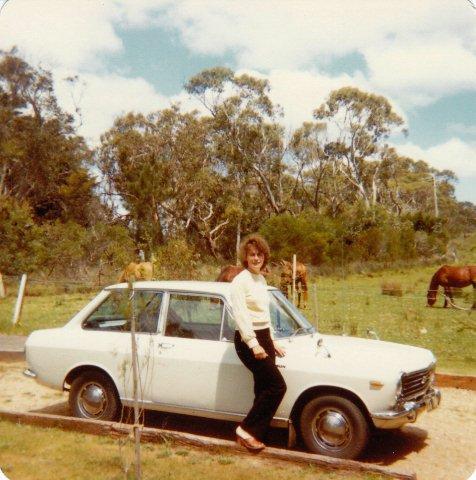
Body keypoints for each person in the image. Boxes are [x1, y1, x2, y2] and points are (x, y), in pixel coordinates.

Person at [230, 234, 287, 451]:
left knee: (263, 388)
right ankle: (245, 430)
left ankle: (256, 434)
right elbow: (241, 316)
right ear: (245, 257)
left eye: (260, 254)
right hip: (247, 339)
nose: (256, 258)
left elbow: (265, 315)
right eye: (252, 255)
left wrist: (271, 341)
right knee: (277, 386)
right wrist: (254, 344)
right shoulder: (240, 281)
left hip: (263, 336)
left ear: (265, 256)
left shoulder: (261, 280)